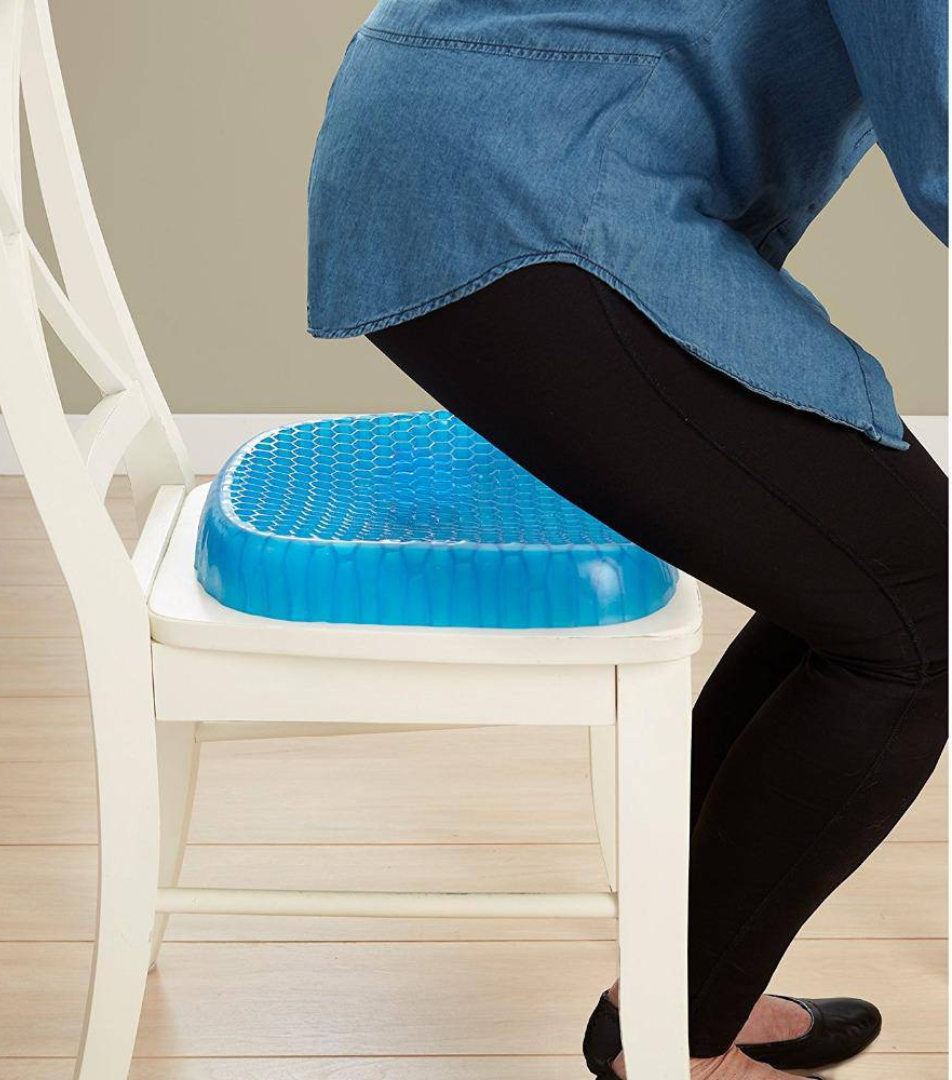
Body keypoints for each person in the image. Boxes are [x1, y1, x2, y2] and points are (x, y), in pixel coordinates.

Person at [305, 2, 949, 1078]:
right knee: (923, 610)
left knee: (870, 585)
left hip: (501, 143)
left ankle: (674, 995)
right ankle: (678, 1047)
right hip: (526, 187)